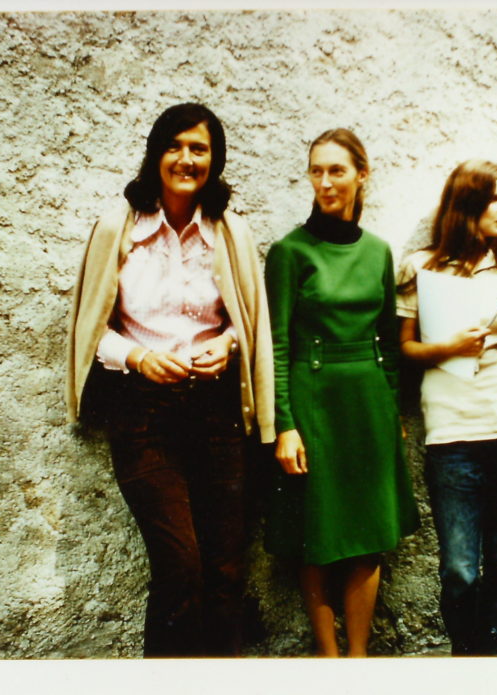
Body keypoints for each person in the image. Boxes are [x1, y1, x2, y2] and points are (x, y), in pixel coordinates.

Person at [66, 102, 275, 657]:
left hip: (216, 412)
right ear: (157, 154)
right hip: (144, 416)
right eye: (175, 146)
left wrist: (226, 346)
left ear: (215, 160)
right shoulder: (120, 229)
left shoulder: (232, 233)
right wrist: (138, 358)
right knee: (180, 566)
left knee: (227, 569)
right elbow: (92, 332)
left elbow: (248, 322)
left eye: (200, 149)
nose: (187, 159)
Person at [263, 128, 419, 657]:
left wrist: (394, 407)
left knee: (368, 535)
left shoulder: (379, 252)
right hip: (313, 405)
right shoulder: (289, 252)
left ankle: (358, 661)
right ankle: (328, 660)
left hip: (369, 406)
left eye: (337, 170)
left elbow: (387, 341)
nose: (325, 182)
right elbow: (277, 345)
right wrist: (284, 423)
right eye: (316, 170)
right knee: (318, 533)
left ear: (361, 174)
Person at [396, 160, 497, 656]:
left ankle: (493, 659)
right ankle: (466, 659)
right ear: (467, 204)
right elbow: (405, 350)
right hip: (453, 435)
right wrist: (450, 347)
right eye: (495, 198)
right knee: (459, 566)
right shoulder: (422, 268)